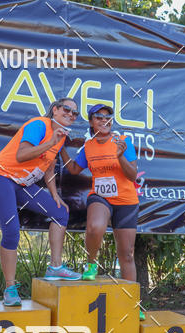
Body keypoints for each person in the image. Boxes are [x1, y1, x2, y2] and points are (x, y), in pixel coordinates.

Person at [0, 98, 82, 306]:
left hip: (22, 184)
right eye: (67, 109)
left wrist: (54, 194)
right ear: (55, 110)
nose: (71, 114)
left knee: (60, 212)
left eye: (75, 113)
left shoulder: (61, 136)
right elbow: (21, 156)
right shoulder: (39, 125)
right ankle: (10, 290)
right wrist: (50, 142)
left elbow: (49, 167)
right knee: (12, 231)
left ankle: (55, 267)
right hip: (0, 178)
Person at [60, 104, 144, 320]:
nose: (104, 120)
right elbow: (74, 169)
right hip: (101, 197)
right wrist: (61, 148)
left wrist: (120, 156)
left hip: (126, 201)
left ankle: (132, 305)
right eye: (99, 117)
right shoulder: (88, 147)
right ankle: (91, 264)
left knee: (127, 254)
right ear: (91, 122)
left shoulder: (123, 141)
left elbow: (132, 176)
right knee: (95, 227)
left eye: (108, 117)